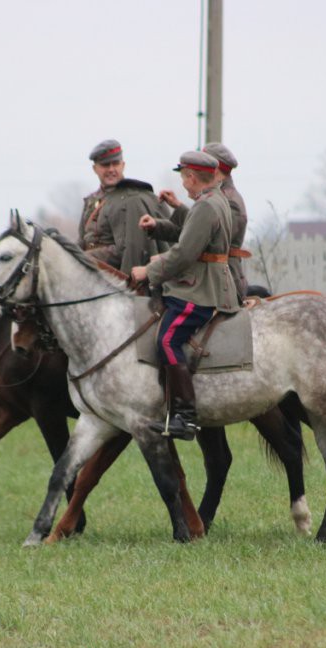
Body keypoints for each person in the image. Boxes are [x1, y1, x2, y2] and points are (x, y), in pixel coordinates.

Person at [131, 151, 238, 439]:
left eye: (183, 178)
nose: (183, 183)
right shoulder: (214, 200)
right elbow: (191, 230)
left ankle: (186, 418)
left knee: (166, 340)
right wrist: (161, 223)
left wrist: (148, 272)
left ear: (191, 177)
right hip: (202, 284)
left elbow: (184, 253)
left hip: (198, 290)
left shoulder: (207, 206)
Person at [157, 142, 251, 301]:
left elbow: (200, 238)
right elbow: (197, 231)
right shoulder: (216, 197)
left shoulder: (228, 201)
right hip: (209, 279)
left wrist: (156, 265)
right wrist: (159, 224)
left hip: (220, 282)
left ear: (218, 172)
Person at [78, 139, 168, 275]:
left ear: (123, 165)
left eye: (115, 164)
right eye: (105, 165)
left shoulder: (133, 198)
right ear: (95, 168)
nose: (111, 169)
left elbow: (128, 248)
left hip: (119, 279)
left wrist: (86, 258)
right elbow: (82, 240)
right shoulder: (92, 200)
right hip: (92, 274)